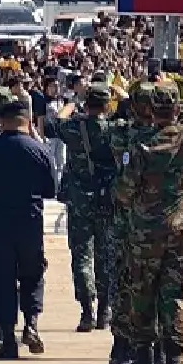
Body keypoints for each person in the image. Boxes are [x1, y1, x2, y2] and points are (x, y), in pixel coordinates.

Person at [110, 78, 183, 364]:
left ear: (151, 111)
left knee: (143, 292)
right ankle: (173, 362)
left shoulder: (144, 146)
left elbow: (124, 192)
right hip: (181, 231)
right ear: (178, 108)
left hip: (146, 232)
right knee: (173, 293)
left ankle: (143, 356)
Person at [0, 87, 57, 359]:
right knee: (32, 274)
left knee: (0, 279)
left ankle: (7, 339)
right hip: (30, 221)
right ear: (27, 122)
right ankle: (31, 324)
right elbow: (51, 189)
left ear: (2, 122)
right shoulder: (38, 150)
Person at [57, 82, 121, 332]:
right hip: (106, 199)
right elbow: (131, 113)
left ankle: (86, 311)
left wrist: (74, 100)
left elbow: (55, 121)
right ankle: (104, 310)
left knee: (81, 255)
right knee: (105, 255)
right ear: (107, 105)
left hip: (79, 199)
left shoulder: (74, 127)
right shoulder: (115, 130)